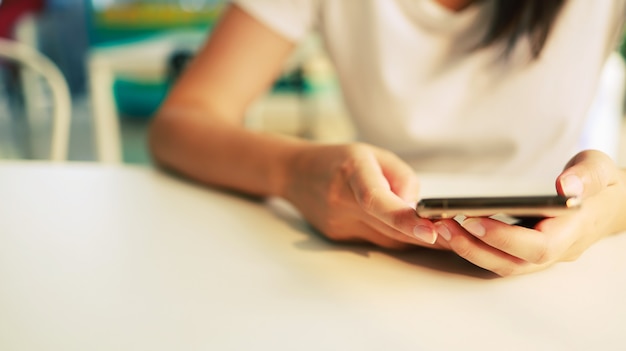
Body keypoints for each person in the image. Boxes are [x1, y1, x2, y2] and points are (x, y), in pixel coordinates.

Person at [148, 0, 626, 276]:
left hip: (567, 276)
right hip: (371, 259)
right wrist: (294, 171)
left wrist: (610, 210)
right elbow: (182, 121)